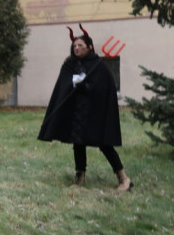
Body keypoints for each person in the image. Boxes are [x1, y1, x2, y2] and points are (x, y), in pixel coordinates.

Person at [38, 24, 131, 190]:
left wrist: (87, 86)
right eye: (74, 45)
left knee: (105, 144)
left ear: (90, 47)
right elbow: (64, 85)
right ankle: (80, 178)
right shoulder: (69, 64)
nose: (77, 48)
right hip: (77, 112)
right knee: (78, 142)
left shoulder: (99, 65)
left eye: (80, 45)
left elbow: (104, 88)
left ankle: (123, 178)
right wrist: (74, 84)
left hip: (94, 112)